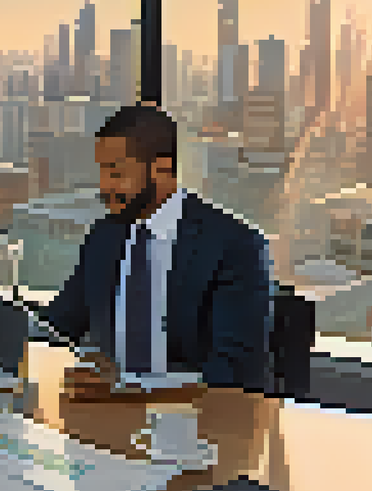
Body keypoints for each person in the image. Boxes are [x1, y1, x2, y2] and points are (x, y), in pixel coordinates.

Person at [40, 103, 272, 399]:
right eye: (102, 172)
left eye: (116, 173)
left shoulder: (235, 246)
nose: (104, 186)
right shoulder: (105, 236)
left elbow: (235, 373)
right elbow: (58, 326)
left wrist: (127, 389)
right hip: (111, 418)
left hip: (199, 426)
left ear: (162, 169)